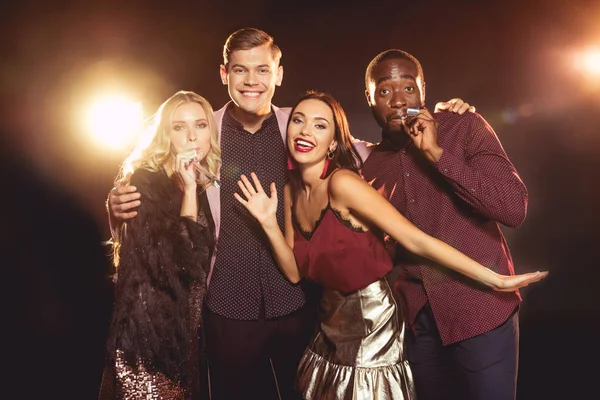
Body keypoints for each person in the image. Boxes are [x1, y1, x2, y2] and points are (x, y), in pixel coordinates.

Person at [107, 28, 475, 400]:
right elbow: (161, 190)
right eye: (240, 71)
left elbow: (377, 148)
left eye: (263, 70)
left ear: (278, 74)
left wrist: (446, 116)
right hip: (224, 308)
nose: (252, 80)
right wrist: (117, 207)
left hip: (298, 304)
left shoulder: (298, 124)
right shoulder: (204, 130)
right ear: (224, 74)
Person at [234, 91, 547, 400]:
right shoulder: (290, 190)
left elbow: (415, 239)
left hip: (374, 323)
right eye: (298, 121)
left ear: (333, 142)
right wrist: (266, 222)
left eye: (320, 125)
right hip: (330, 326)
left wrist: (496, 279)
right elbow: (292, 272)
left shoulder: (343, 183)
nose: (305, 130)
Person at [362, 49, 531, 400]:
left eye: (408, 88)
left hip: (481, 310)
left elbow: (513, 208)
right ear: (369, 98)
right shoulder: (369, 166)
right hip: (419, 325)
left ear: (424, 90)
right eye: (384, 90)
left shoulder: (464, 127)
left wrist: (439, 156)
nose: (397, 100)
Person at [98, 90, 220, 400]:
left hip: (187, 334)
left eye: (201, 125)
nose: (192, 136)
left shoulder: (207, 183)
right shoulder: (145, 182)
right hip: (149, 341)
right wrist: (189, 190)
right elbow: (178, 266)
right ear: (165, 134)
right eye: (179, 127)